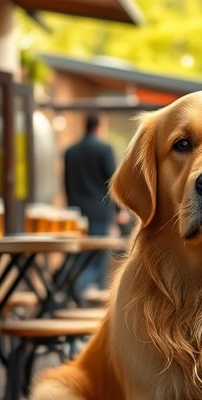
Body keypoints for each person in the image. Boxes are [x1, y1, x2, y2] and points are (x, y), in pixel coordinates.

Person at [63, 114, 126, 293]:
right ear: (99, 127)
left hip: (76, 214)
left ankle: (80, 295)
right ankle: (80, 292)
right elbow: (113, 182)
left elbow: (67, 184)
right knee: (98, 258)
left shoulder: (70, 152)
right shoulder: (103, 149)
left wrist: (71, 209)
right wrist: (119, 210)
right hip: (99, 213)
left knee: (81, 257)